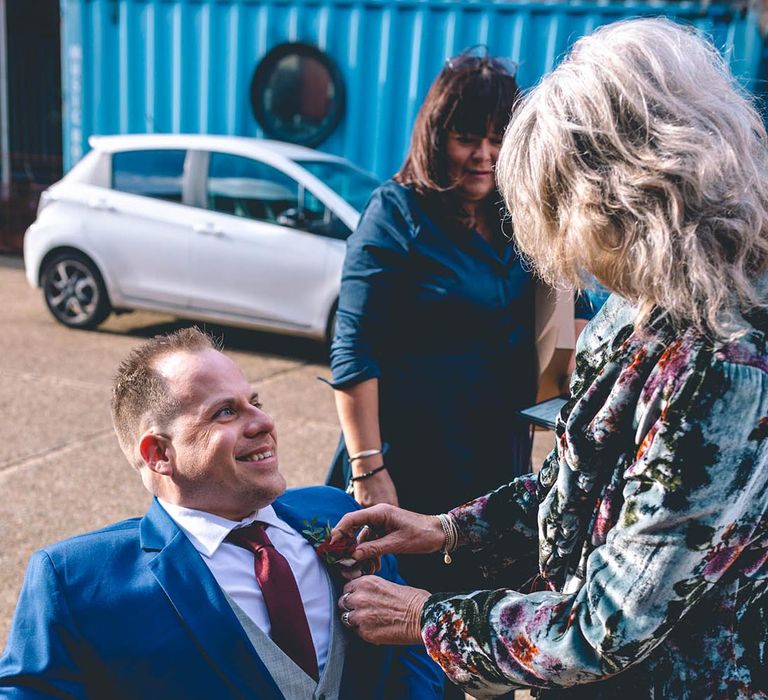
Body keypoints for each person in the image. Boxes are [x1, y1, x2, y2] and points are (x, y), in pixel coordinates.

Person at [329, 18, 768, 699]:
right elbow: (579, 490)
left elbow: (608, 624)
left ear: (625, 195)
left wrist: (430, 617)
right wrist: (446, 529)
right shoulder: (644, 298)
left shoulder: (722, 362)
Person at [0, 328, 443, 699]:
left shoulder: (334, 512)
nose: (262, 422)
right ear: (159, 453)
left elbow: (409, 644)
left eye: (256, 401)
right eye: (225, 412)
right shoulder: (77, 581)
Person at [327, 51, 573, 595]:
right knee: (405, 629)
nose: (484, 156)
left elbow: (571, 319)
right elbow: (353, 350)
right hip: (408, 463)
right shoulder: (396, 213)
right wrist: (369, 470)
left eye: (498, 138)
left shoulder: (521, 214)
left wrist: (558, 401)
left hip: (496, 461)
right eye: (467, 139)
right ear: (437, 139)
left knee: (490, 625)